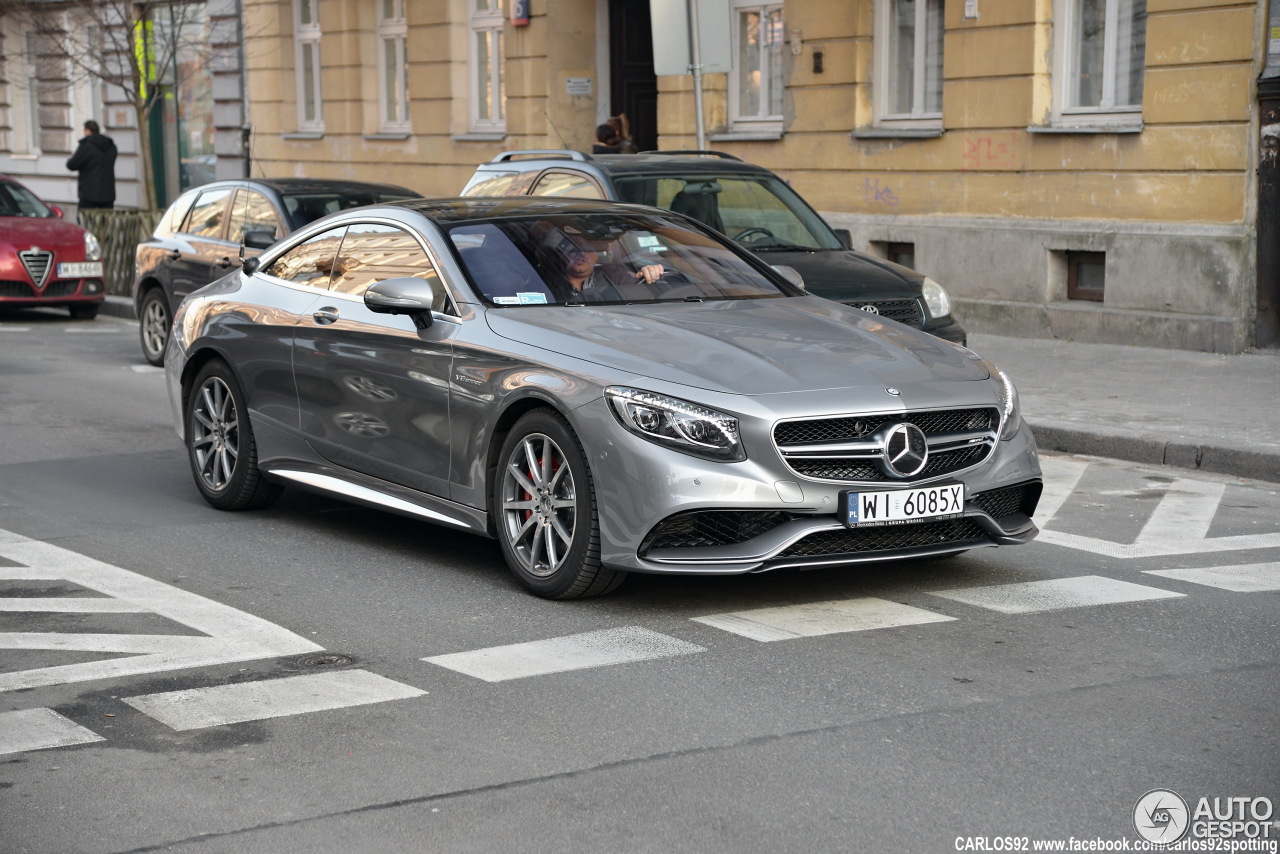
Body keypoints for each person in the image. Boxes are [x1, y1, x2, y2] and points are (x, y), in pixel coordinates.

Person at [66, 120, 117, 210]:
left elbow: (72, 165)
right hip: (108, 194)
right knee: (106, 222)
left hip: (89, 194)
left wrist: (70, 159)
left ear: (88, 130)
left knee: (84, 221)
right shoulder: (111, 146)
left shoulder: (86, 146)